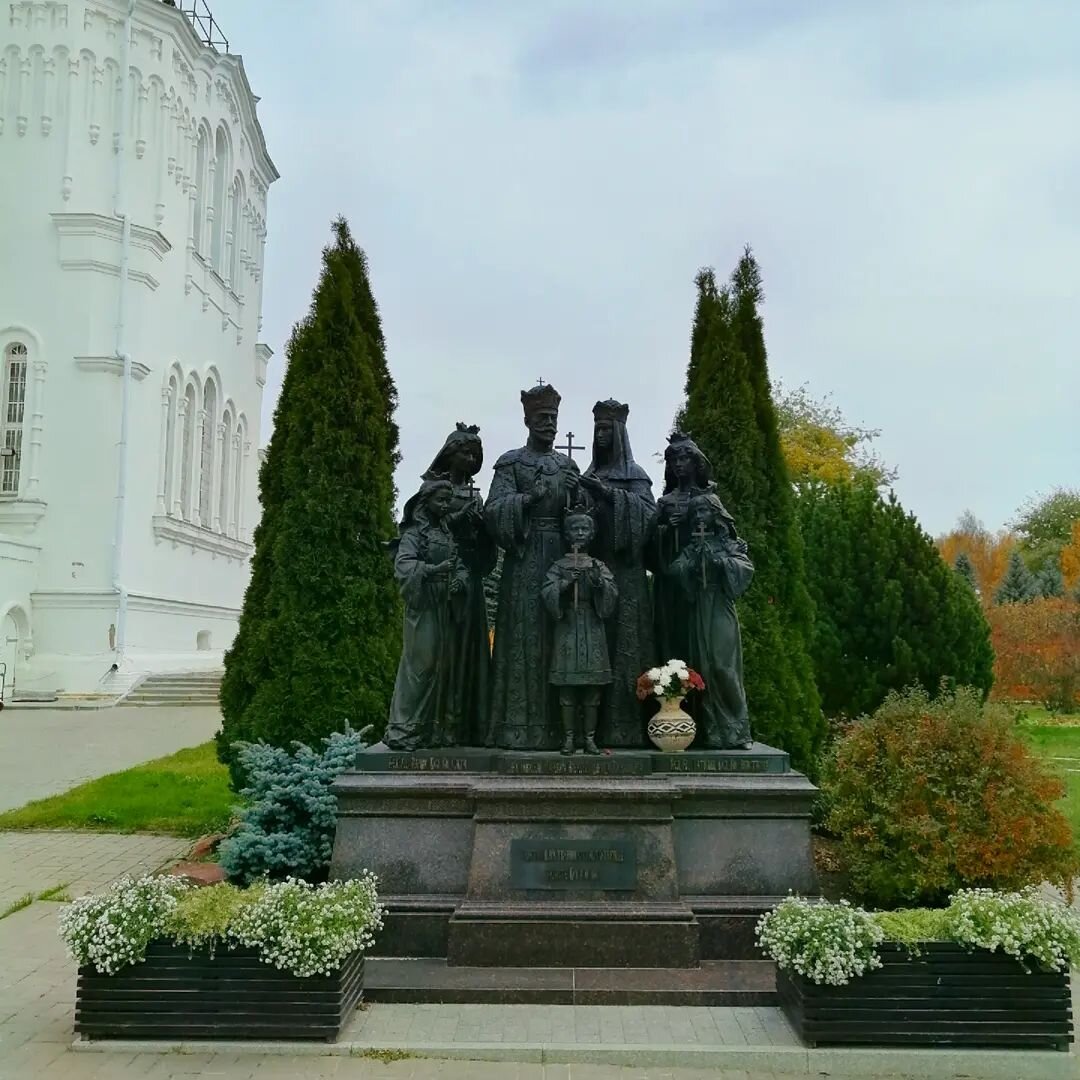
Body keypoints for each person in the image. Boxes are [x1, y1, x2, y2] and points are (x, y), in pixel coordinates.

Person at [486, 383, 582, 749]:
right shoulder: (512, 463)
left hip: (561, 554)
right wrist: (528, 499)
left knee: (562, 636)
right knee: (523, 638)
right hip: (525, 559)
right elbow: (493, 510)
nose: (549, 425)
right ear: (527, 420)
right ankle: (518, 727)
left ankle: (567, 731)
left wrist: (577, 495)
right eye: (542, 418)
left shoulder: (567, 465)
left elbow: (583, 519)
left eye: (553, 418)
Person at [403, 423, 496, 745]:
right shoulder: (431, 489)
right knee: (437, 654)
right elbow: (420, 531)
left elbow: (485, 544)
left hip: (467, 580)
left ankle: (463, 725)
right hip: (437, 585)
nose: (470, 459)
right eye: (465, 453)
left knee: (466, 654)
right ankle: (433, 725)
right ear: (449, 453)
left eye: (475, 455)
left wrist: (481, 527)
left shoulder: (475, 495)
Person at [580, 399, 656, 747]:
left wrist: (608, 496)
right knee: (594, 647)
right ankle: (588, 728)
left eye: (606, 429)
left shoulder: (635, 475)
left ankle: (627, 726)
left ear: (620, 433)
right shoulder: (588, 476)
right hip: (594, 572)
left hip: (626, 573)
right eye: (597, 429)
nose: (600, 435)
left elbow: (648, 518)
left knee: (628, 643)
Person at [385, 478, 469, 750]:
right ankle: (404, 729)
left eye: (448, 500)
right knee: (421, 665)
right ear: (425, 502)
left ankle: (433, 730)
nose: (445, 505)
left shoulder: (446, 534)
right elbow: (405, 567)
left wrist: (459, 579)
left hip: (445, 605)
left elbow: (457, 565)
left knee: (442, 666)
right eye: (440, 500)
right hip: (423, 607)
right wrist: (434, 571)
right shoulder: (413, 535)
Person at [667, 492, 754, 750]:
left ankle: (740, 729)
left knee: (723, 667)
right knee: (703, 667)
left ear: (716, 515)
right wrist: (691, 566)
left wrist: (719, 562)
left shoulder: (730, 545)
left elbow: (744, 568)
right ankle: (713, 730)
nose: (698, 518)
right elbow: (675, 569)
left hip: (719, 608)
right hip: (699, 609)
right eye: (694, 514)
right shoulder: (692, 547)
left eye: (703, 512)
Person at [541, 508, 618, 755]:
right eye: (575, 528)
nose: (580, 533)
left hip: (592, 626)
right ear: (566, 533)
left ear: (592, 533)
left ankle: (590, 739)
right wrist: (564, 584)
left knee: (592, 689)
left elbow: (611, 593)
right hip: (568, 627)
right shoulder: (559, 565)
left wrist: (597, 582)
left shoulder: (598, 565)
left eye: (585, 529)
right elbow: (547, 592)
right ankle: (569, 738)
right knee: (567, 688)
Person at [652, 432, 717, 662]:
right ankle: (672, 687)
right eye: (673, 461)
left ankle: (703, 690)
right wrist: (667, 529)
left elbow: (723, 533)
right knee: (672, 632)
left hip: (700, 577)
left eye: (684, 459)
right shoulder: (665, 502)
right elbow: (650, 542)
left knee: (701, 636)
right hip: (670, 578)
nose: (679, 465)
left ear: (696, 461)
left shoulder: (708, 497)